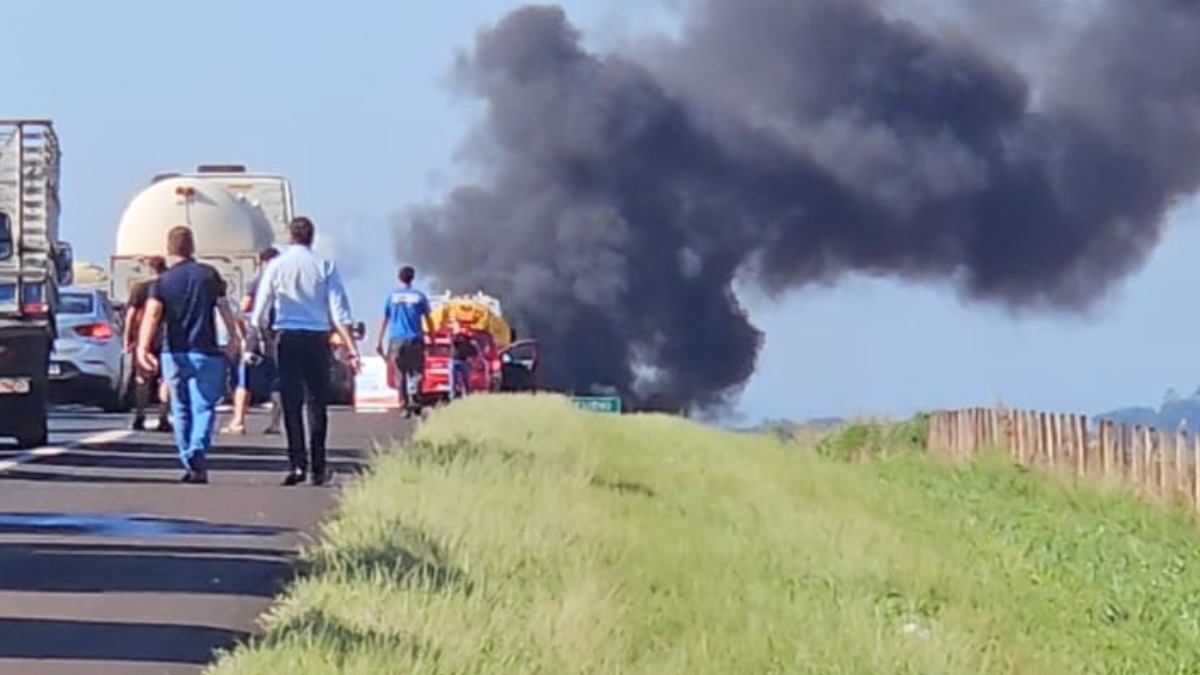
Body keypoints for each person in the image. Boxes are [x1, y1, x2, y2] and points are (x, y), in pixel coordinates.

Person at [250, 216, 359, 487]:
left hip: (286, 337)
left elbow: (260, 307)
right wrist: (351, 347)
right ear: (312, 237)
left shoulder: (276, 266)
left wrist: (257, 337)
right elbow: (339, 311)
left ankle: (296, 463)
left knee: (291, 401)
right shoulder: (325, 266)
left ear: (290, 236)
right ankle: (318, 467)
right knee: (316, 402)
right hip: (316, 338)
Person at [136, 226, 243, 484]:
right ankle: (198, 449)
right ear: (192, 246)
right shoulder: (208, 275)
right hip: (205, 350)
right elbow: (224, 307)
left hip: (173, 352)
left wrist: (142, 347)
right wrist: (234, 336)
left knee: (180, 407)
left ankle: (189, 458)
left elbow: (152, 314)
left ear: (170, 249)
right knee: (204, 405)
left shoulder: (163, 281)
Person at [222, 246, 283, 436]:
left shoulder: (259, 280)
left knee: (244, 380)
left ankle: (239, 421)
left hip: (255, 337)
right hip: (278, 335)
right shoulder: (283, 281)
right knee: (277, 380)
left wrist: (241, 334)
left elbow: (243, 308)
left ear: (260, 262)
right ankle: (275, 423)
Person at [123, 255, 171, 432]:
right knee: (165, 379)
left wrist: (127, 338)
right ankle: (163, 416)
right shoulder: (169, 287)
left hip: (144, 336)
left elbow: (130, 316)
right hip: (166, 336)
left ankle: (140, 415)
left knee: (142, 378)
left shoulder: (140, 288)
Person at [375, 265, 431, 416]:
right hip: (415, 339)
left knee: (400, 374)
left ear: (399, 278)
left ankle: (404, 405)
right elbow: (428, 318)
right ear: (412, 278)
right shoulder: (419, 296)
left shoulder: (392, 297)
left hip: (397, 340)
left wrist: (379, 341)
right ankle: (416, 402)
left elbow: (384, 319)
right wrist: (431, 336)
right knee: (417, 372)